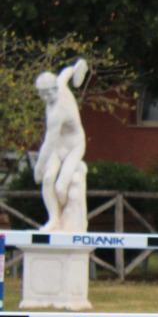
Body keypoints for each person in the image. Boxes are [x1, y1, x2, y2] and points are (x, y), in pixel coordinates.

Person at [34, 59, 90, 233]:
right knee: (48, 179)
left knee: (60, 188)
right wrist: (78, 68)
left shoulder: (58, 112)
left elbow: (48, 143)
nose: (45, 98)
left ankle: (68, 219)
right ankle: (54, 219)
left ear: (55, 89)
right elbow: (67, 71)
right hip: (59, 144)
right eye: (41, 94)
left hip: (74, 144)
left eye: (48, 94)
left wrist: (38, 167)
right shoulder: (59, 83)